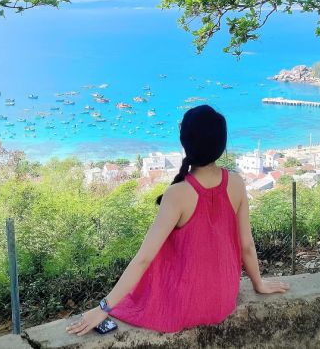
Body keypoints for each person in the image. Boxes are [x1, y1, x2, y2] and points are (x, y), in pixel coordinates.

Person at [66, 104, 290, 336]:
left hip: (187, 305)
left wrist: (103, 308)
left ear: (185, 143)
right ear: (221, 146)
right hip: (223, 300)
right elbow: (247, 245)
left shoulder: (177, 194)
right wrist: (258, 283)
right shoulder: (236, 183)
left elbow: (143, 259)